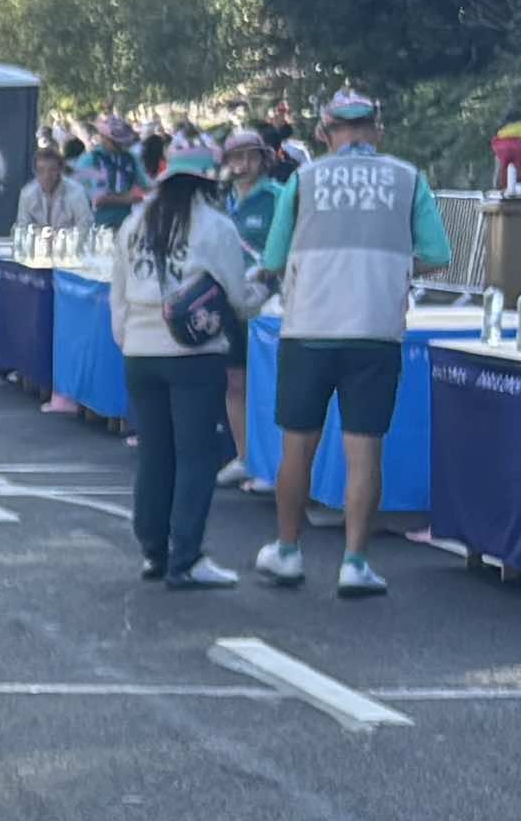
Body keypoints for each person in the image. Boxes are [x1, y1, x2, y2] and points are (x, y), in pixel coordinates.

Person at [239, 88, 451, 593]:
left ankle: (288, 550)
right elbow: (437, 253)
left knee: (298, 446)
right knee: (365, 451)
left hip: (309, 327)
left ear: (324, 132)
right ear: (376, 130)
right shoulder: (407, 177)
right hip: (375, 331)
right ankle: (355, 561)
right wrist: (391, 266)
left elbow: (271, 259)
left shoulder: (304, 180)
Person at [113, 138, 264, 591]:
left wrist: (128, 339)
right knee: (196, 456)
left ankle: (153, 552)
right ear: (205, 182)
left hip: (140, 350)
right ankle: (187, 556)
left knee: (154, 454)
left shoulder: (135, 223)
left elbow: (116, 293)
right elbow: (237, 299)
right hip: (194, 354)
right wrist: (265, 289)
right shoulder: (214, 226)